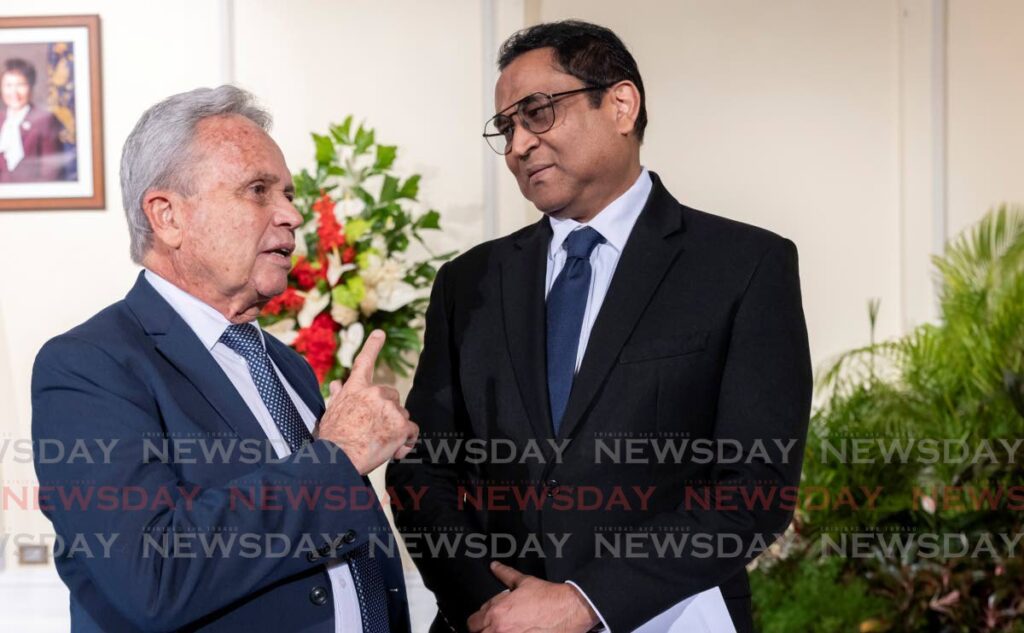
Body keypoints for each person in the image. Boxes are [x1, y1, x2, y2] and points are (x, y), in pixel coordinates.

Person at [386, 20, 812, 633]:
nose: (518, 146)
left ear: (620, 104)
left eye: (536, 113)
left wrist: (584, 601)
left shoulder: (743, 266)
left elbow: (754, 487)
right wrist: (485, 603)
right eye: (505, 128)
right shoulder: (468, 282)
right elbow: (423, 468)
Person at [32, 85, 417, 632]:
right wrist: (337, 457)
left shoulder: (287, 366)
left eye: (287, 193)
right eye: (258, 190)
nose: (291, 214)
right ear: (167, 216)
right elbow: (151, 576)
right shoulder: (88, 367)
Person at [0, 57, 65, 182]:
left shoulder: (45, 120)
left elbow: (51, 173)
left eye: (21, 85)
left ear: (31, 86)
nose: (14, 92)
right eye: (8, 85)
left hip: (33, 197)